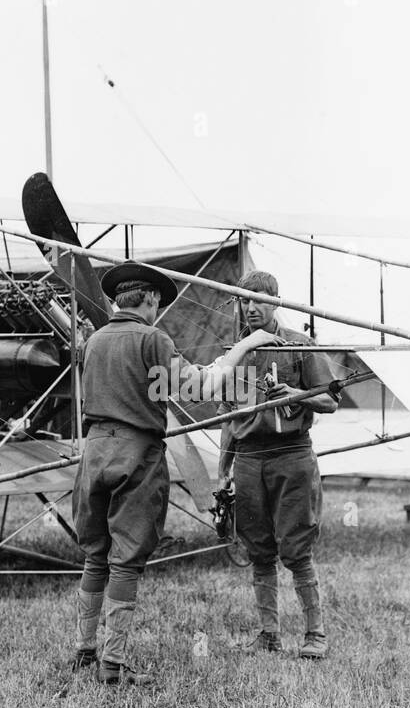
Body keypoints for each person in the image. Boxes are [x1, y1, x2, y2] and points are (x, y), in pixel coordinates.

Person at [73, 261, 282, 686]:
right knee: (126, 560)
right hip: (135, 452)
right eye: (157, 304)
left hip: (93, 452)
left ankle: (84, 650)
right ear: (149, 300)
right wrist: (245, 347)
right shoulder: (153, 339)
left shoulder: (94, 341)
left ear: (118, 299)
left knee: (96, 554)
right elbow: (202, 387)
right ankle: (112, 666)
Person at [219, 270, 340, 660]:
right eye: (243, 299)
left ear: (276, 301)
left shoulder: (299, 345)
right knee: (259, 550)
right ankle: (269, 634)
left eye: (258, 299)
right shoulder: (235, 352)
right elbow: (227, 419)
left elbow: (331, 401)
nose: (251, 307)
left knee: (297, 548)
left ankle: (315, 634)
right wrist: (222, 472)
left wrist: (298, 394)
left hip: (292, 456)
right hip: (250, 460)